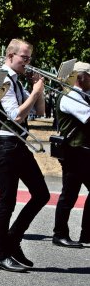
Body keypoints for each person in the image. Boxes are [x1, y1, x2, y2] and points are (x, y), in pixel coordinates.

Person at [0, 38, 50, 272]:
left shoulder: (16, 80)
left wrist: (40, 91)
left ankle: (13, 240)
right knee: (7, 201)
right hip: (6, 143)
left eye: (29, 59)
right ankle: (1, 254)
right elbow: (16, 115)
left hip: (19, 143)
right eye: (24, 58)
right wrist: (34, 91)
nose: (28, 63)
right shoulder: (3, 79)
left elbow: (40, 111)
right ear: (10, 57)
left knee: (41, 194)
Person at [52, 61, 90, 247]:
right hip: (74, 151)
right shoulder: (70, 97)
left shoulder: (83, 95)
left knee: (70, 193)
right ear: (81, 77)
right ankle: (59, 234)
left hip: (83, 151)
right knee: (69, 194)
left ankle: (86, 233)